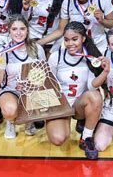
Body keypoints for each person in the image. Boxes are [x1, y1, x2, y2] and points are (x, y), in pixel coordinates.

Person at [46, 21, 108, 160]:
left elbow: (92, 87)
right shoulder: (56, 56)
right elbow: (49, 85)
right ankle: (59, 122)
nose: (70, 43)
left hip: (78, 104)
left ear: (83, 39)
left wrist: (104, 72)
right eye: (66, 40)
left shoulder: (90, 58)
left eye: (75, 39)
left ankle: (86, 138)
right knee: (58, 139)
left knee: (95, 97)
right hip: (60, 104)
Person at [0, 15, 46, 139]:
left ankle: (30, 120)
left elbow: (44, 75)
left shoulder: (37, 49)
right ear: (9, 31)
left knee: (45, 100)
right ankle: (11, 122)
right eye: (14, 29)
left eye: (22, 29)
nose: (18, 33)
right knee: (10, 110)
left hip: (32, 90)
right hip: (11, 90)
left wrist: (30, 84)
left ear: (27, 30)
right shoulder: (3, 53)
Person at [41, 0, 113, 53]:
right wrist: (39, 43)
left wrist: (102, 20)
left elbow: (112, 24)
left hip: (99, 43)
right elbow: (61, 30)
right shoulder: (68, 2)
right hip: (76, 45)